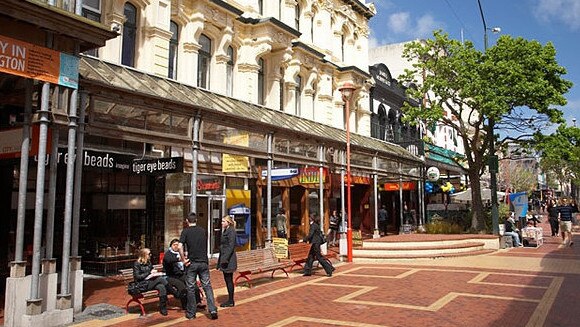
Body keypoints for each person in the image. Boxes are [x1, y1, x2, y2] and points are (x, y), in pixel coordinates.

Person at [179, 212, 218, 320]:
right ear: (196, 220)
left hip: (192, 263)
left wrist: (183, 259)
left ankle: (191, 313)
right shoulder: (202, 231)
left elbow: (180, 246)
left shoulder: (185, 231)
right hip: (203, 262)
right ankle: (213, 309)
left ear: (187, 221)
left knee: (190, 288)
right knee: (207, 286)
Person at [163, 238, 204, 310]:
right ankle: (185, 306)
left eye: (177, 245)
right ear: (171, 246)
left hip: (182, 274)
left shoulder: (182, 253)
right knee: (182, 287)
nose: (176, 246)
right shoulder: (168, 254)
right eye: (174, 245)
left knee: (193, 284)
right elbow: (168, 260)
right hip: (172, 276)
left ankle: (198, 302)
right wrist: (181, 259)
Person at [133, 247, 170, 316]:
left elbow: (151, 270)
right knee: (161, 279)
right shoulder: (137, 264)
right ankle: (172, 290)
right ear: (144, 255)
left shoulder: (149, 262)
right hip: (141, 285)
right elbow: (137, 277)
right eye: (149, 254)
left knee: (161, 287)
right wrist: (149, 273)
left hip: (150, 282)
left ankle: (163, 308)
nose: (150, 255)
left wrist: (155, 273)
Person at [217, 215, 238, 307]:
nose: (222, 223)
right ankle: (230, 299)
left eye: (223, 221)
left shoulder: (231, 231)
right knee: (227, 279)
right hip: (225, 257)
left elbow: (231, 246)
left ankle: (230, 300)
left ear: (228, 222)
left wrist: (225, 259)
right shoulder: (226, 230)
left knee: (229, 279)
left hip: (228, 259)